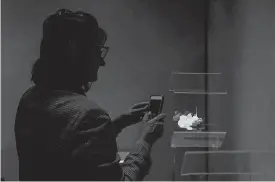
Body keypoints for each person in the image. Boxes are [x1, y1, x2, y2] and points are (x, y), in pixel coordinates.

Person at [14, 9, 166, 181]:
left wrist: (120, 122)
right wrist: (145, 140)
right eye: (97, 50)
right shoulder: (90, 116)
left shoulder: (29, 98)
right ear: (74, 49)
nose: (102, 61)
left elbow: (66, 145)